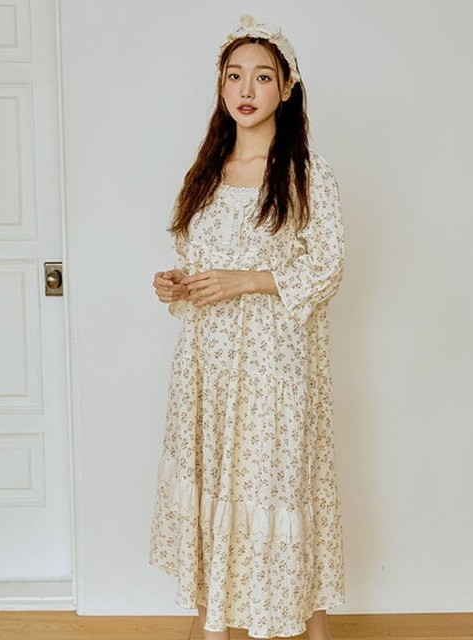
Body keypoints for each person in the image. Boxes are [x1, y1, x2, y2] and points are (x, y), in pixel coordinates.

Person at [148, 15, 345, 640]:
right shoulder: (206, 173)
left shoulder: (306, 173)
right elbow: (198, 260)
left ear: (286, 87)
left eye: (262, 77)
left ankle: (309, 628)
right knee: (218, 489)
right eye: (235, 76)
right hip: (208, 365)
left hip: (273, 366)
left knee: (278, 490)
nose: (247, 89)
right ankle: (214, 625)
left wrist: (248, 280)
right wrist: (177, 284)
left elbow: (327, 265)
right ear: (221, 86)